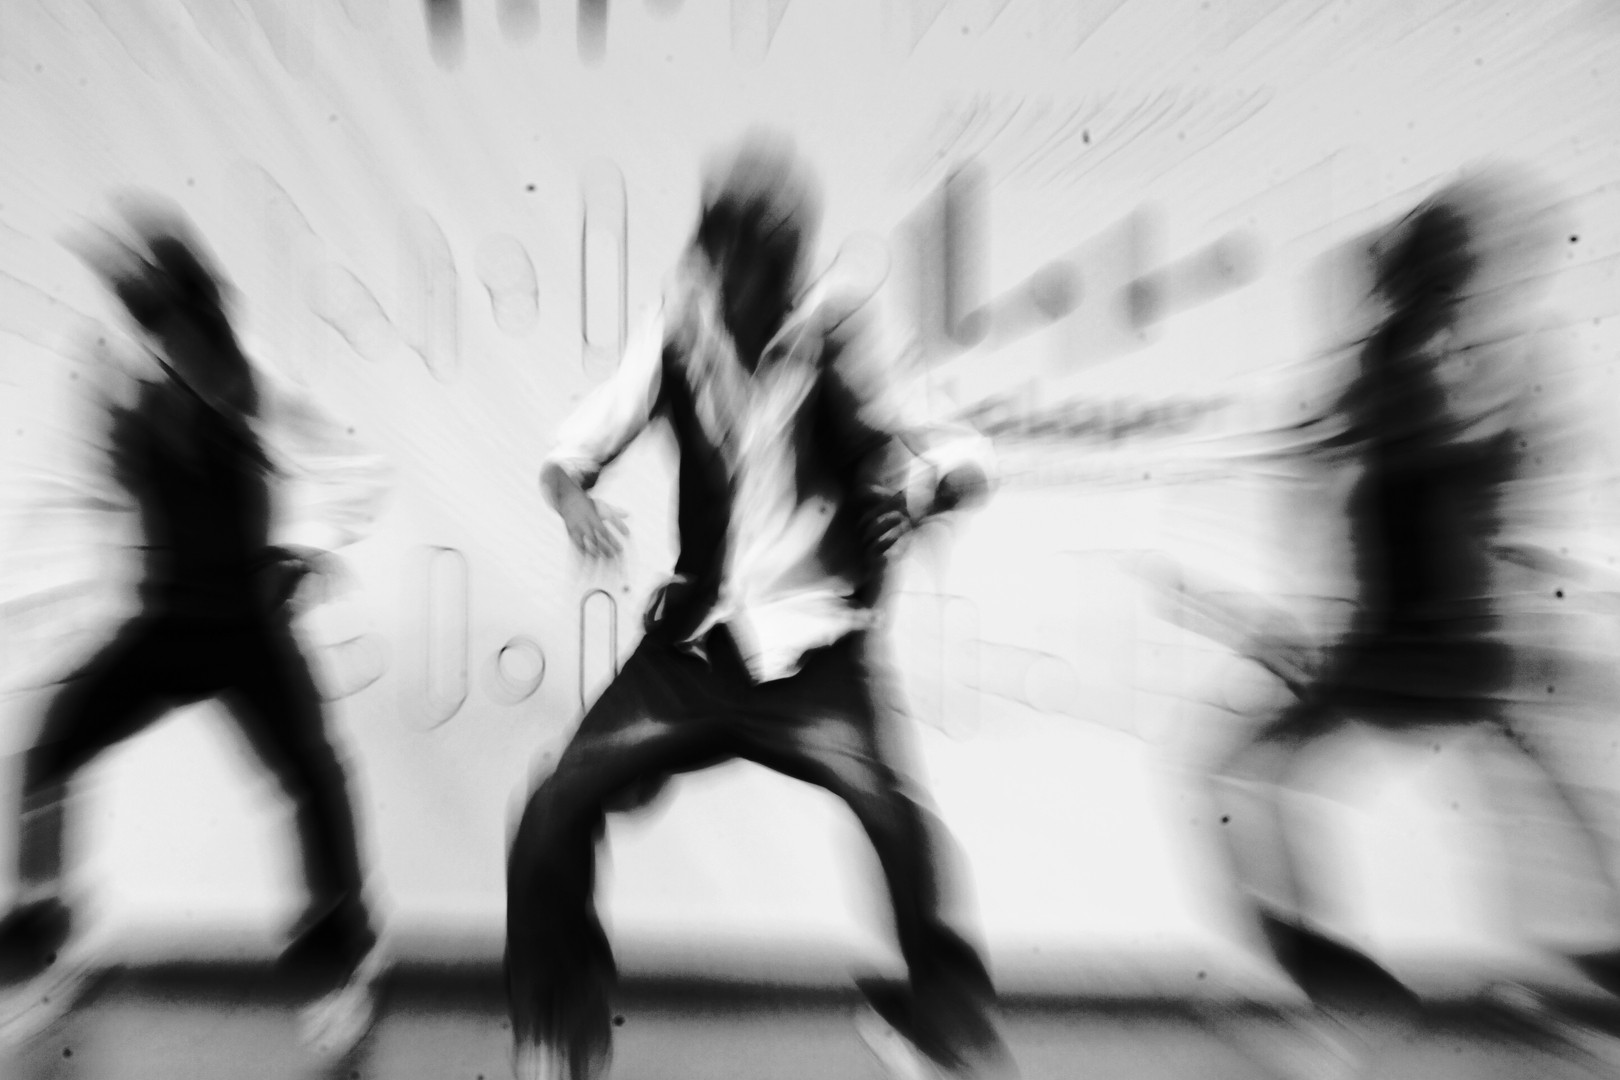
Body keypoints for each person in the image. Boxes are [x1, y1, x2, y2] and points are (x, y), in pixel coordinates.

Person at [508, 132, 1014, 1080]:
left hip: (813, 655)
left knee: (895, 819)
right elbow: (575, 447)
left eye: (781, 271)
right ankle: (562, 1021)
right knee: (553, 806)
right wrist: (571, 496)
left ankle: (941, 1024)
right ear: (713, 260)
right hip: (693, 654)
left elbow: (948, 449)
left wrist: (928, 490)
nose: (763, 294)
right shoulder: (676, 332)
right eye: (745, 270)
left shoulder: (831, 335)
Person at [0, 203, 391, 1054]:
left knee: (313, 780)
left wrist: (306, 549)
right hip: (165, 622)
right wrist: (31, 594)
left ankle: (341, 967)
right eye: (148, 317)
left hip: (247, 631)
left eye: (168, 312)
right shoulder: (125, 388)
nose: (161, 332)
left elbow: (357, 465)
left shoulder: (254, 379)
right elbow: (91, 492)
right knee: (51, 752)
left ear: (198, 307)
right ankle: (45, 949)